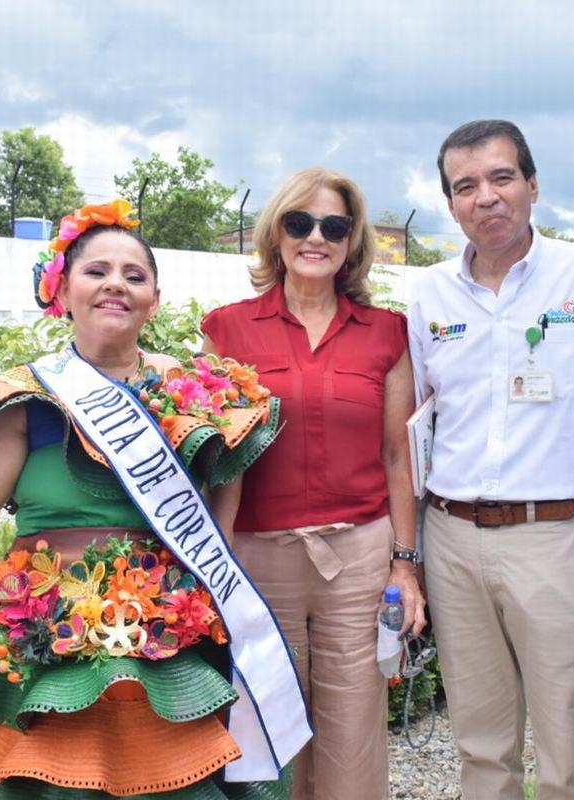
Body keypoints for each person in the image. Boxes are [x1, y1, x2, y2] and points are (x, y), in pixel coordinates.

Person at [0, 200, 308, 800]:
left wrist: (209, 570)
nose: (116, 283)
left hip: (167, 640)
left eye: (134, 274)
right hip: (43, 636)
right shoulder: (26, 396)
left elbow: (228, 475)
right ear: (62, 291)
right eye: (96, 271)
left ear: (154, 298)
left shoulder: (196, 392)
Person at [408, 120, 574, 800]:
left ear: (533, 185)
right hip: (455, 538)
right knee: (480, 750)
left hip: (561, 538)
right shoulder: (428, 295)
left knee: (570, 749)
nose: (485, 198)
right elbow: (417, 420)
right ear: (450, 203)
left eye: (500, 178)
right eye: (465, 187)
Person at [200, 167, 424, 800]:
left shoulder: (386, 333)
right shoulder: (227, 329)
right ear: (276, 234)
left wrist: (405, 565)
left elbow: (396, 454)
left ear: (352, 240)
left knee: (354, 732)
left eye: (334, 226)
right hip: (259, 558)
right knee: (270, 730)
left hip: (357, 557)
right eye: (300, 223)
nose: (315, 238)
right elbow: (214, 453)